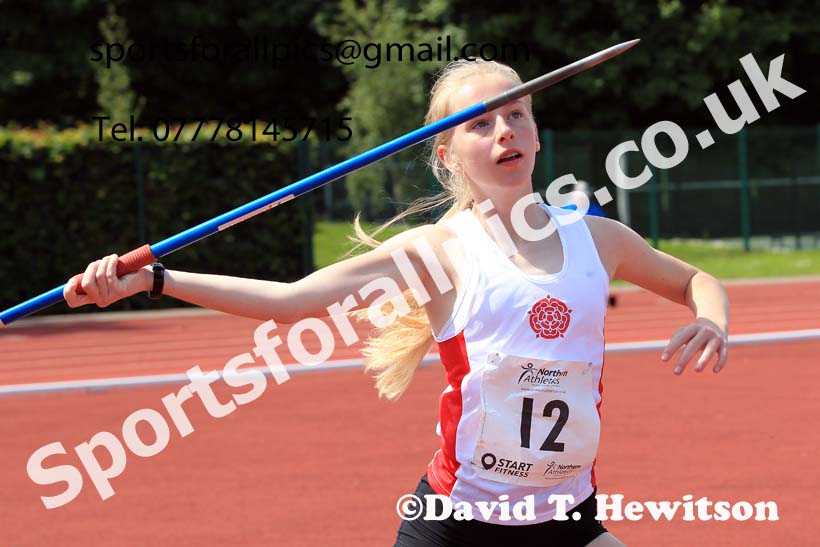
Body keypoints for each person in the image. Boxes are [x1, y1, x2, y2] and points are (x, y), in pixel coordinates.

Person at [64, 59, 729, 547]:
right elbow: (292, 302)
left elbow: (699, 280)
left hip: (566, 520)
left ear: (535, 130)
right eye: (481, 123)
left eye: (517, 114)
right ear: (448, 155)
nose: (505, 131)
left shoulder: (597, 237)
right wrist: (156, 280)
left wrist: (711, 319)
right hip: (458, 525)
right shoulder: (440, 252)